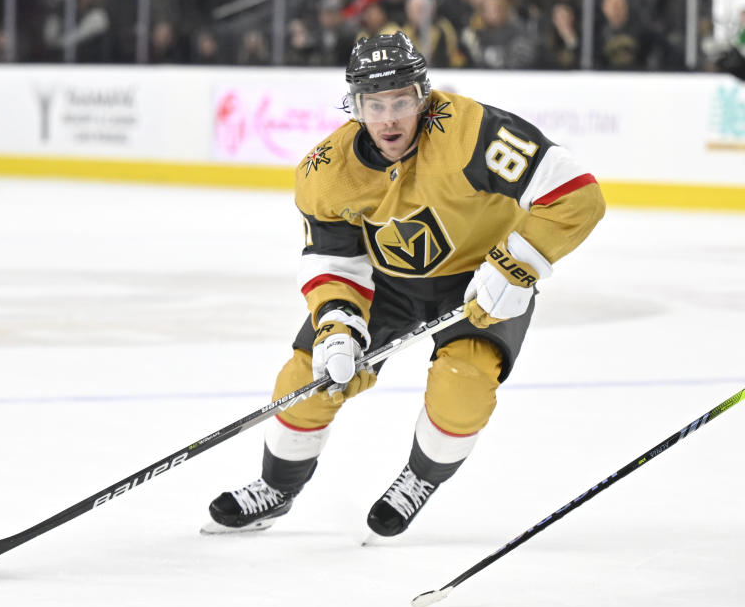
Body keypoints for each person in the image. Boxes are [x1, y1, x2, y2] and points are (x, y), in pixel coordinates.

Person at [204, 32, 605, 538]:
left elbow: (576, 195)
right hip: (384, 284)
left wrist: (516, 266)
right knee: (308, 377)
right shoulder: (326, 172)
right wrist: (337, 325)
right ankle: (277, 488)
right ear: (355, 106)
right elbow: (333, 259)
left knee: (463, 388)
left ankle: (418, 480)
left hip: (481, 277)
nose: (388, 118)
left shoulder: (471, 131)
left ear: (423, 96)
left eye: (400, 101)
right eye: (374, 104)